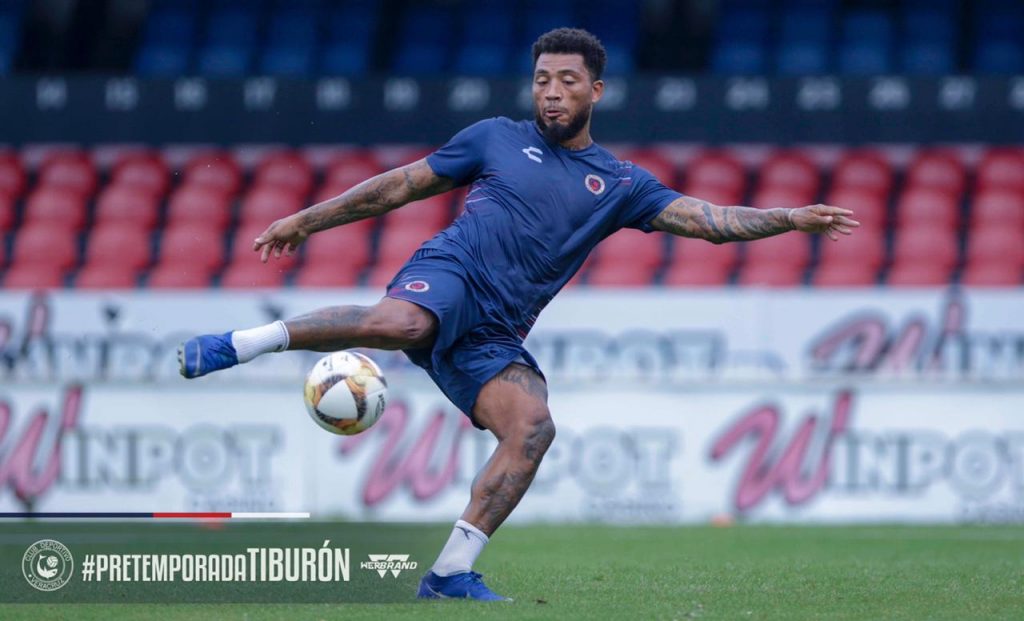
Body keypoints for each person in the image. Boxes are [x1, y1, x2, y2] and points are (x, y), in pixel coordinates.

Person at [178, 28, 858, 601]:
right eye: (541, 80)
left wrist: (789, 217)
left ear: (596, 91)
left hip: (495, 331)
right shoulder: (494, 138)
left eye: (567, 81)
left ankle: (449, 574)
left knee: (533, 428)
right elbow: (399, 186)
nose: (551, 92)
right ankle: (242, 343)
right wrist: (307, 218)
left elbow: (711, 221)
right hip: (451, 275)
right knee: (405, 324)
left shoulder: (621, 184)